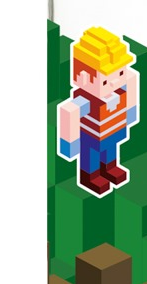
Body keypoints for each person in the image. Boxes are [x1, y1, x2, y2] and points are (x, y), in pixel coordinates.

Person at [57, 26, 139, 196]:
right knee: (91, 157)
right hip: (91, 136)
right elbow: (69, 113)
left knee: (110, 150)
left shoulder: (123, 89)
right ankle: (90, 176)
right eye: (105, 81)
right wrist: (69, 145)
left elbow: (130, 94)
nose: (115, 82)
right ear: (84, 77)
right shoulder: (85, 100)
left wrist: (130, 115)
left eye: (120, 72)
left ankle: (110, 167)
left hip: (112, 130)